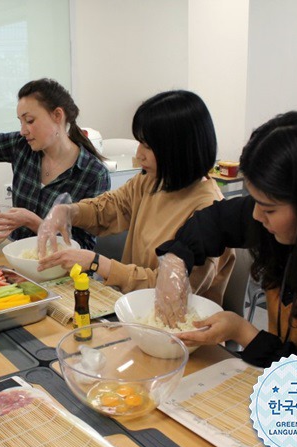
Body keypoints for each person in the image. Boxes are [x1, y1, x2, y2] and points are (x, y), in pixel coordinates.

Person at [155, 111, 297, 409]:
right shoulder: (282, 222)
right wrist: (174, 261)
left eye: (268, 209)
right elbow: (214, 221)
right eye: (254, 201)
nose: (256, 216)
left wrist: (244, 333)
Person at [37, 90, 235, 303]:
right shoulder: (152, 181)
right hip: (131, 308)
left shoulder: (209, 212)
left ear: (179, 150)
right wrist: (69, 211)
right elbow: (109, 207)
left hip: (178, 327)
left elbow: (172, 289)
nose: (138, 154)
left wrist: (97, 263)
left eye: (148, 146)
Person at [0, 78, 111, 251]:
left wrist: (34, 223)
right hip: (15, 257)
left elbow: (83, 249)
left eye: (30, 121)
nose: (23, 130)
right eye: (20, 122)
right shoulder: (22, 145)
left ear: (57, 116)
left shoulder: (93, 174)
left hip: (60, 270)